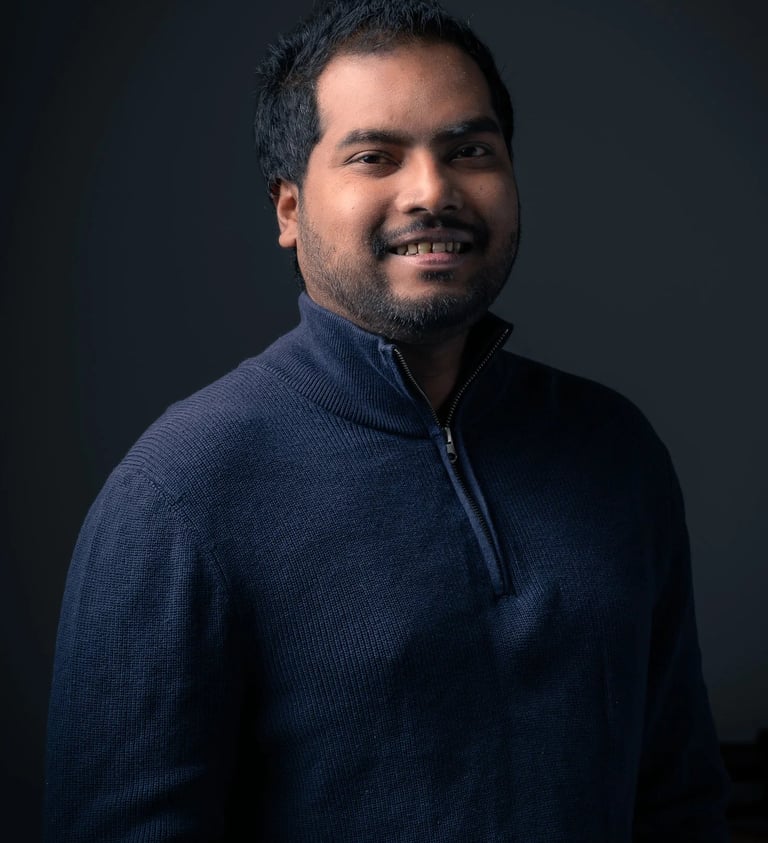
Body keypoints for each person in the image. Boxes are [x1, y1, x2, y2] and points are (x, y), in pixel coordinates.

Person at [44, 0, 731, 839]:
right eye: (375, 155)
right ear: (289, 207)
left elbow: (681, 800)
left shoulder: (615, 450)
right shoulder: (177, 497)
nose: (433, 191)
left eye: (470, 151)